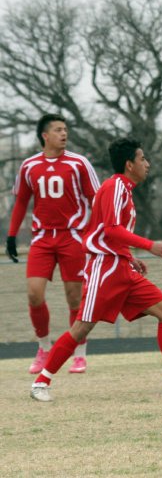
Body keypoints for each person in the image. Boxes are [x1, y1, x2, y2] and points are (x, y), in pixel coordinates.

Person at [30, 137, 162, 402]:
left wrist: (130, 257)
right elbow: (112, 229)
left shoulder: (124, 189)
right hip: (105, 269)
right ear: (129, 164)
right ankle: (40, 383)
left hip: (122, 267)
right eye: (142, 159)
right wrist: (150, 246)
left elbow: (112, 233)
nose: (147, 164)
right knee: (81, 328)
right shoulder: (115, 186)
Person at [7, 114, 100, 375]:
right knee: (34, 294)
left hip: (73, 236)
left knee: (74, 298)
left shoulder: (79, 163)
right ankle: (43, 348)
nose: (64, 134)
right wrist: (12, 236)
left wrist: (93, 233)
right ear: (45, 136)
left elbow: (96, 199)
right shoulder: (29, 166)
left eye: (66, 129)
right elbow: (22, 202)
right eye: (58, 130)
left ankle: (78, 354)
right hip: (42, 238)